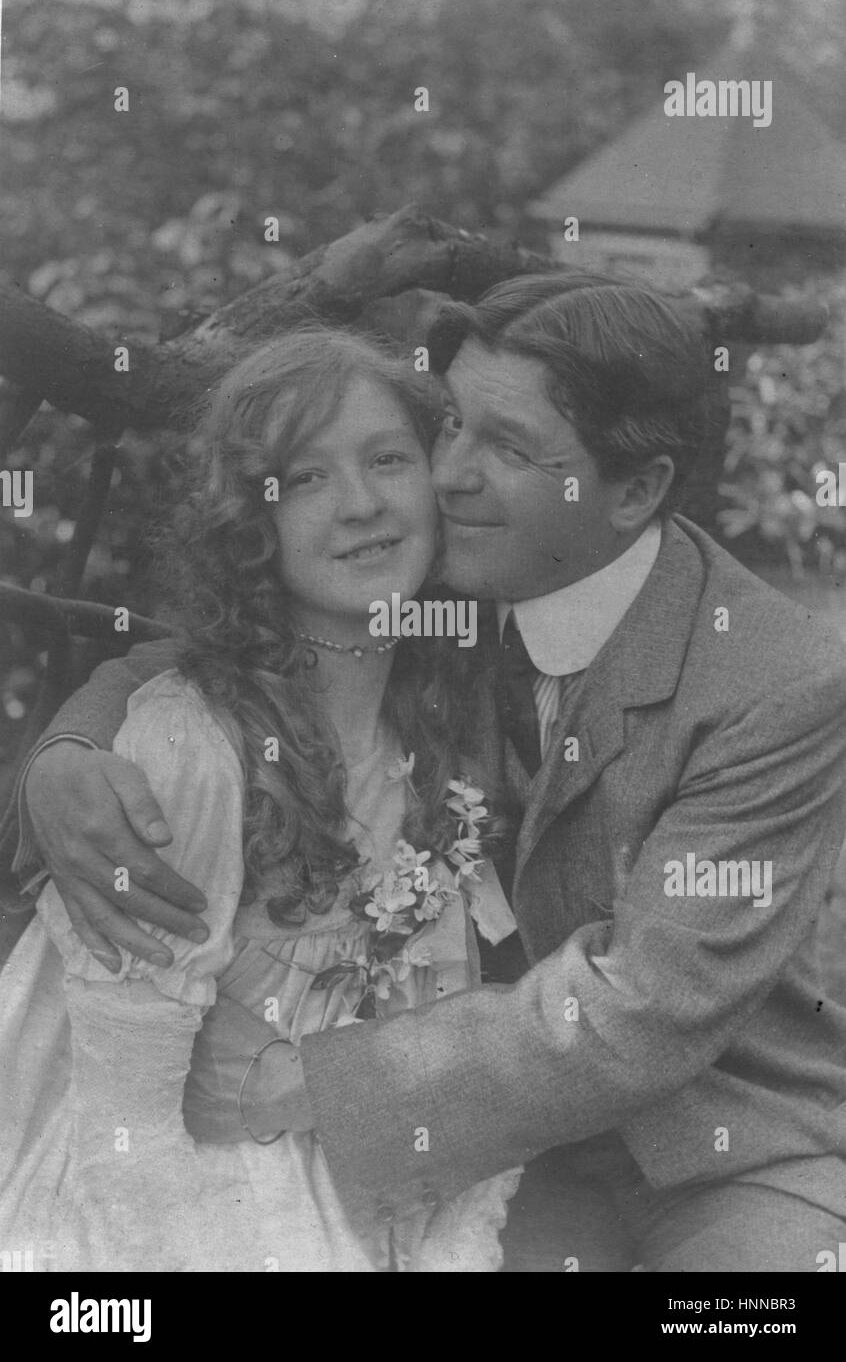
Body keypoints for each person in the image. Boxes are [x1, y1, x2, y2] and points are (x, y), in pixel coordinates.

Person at [11, 275, 846, 1271]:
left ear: (634, 490)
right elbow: (208, 662)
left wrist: (305, 1083)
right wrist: (61, 760)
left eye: (509, 447)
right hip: (493, 1149)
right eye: (450, 424)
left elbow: (641, 1009)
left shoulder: (772, 682)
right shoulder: (446, 568)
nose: (449, 475)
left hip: (726, 1146)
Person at [0, 326, 522, 1273]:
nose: (362, 505)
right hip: (188, 1195)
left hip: (370, 1161)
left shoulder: (440, 707)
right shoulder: (190, 745)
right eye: (306, 480)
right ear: (250, 523)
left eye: (388, 460)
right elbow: (132, 1142)